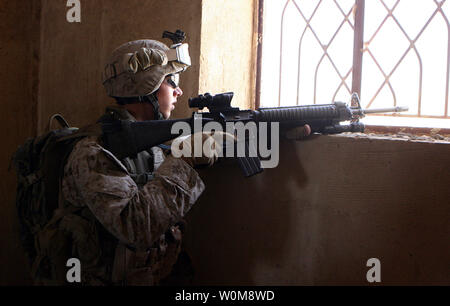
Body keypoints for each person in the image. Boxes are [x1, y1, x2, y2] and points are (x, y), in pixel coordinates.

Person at [59, 35, 311, 286]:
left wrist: (274, 134)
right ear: (146, 87)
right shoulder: (92, 153)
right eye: (171, 81)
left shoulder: (152, 146)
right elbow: (135, 227)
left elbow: (213, 150)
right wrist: (183, 158)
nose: (179, 91)